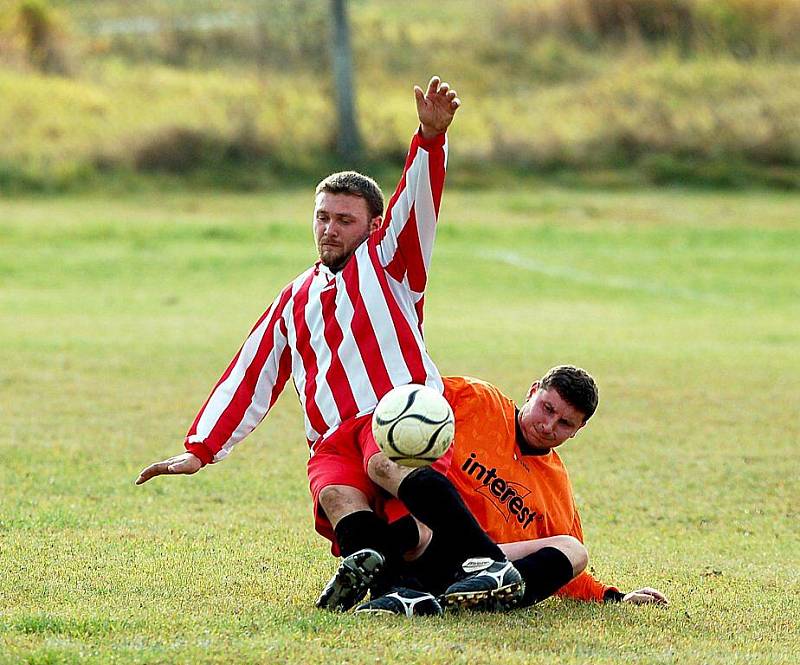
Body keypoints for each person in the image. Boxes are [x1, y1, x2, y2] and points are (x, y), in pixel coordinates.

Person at [135, 76, 522, 616]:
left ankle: (486, 561)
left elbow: (417, 205)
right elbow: (251, 372)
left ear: (371, 226)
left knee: (387, 471)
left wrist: (430, 140)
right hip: (332, 437)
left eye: (345, 220)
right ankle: (384, 588)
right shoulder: (294, 297)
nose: (330, 229)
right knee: (339, 498)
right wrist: (200, 449)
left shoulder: (390, 264)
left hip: (391, 416)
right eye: (323, 217)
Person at [356, 367, 668, 615]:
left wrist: (613, 597)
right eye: (547, 408)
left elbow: (565, 573)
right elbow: (408, 399)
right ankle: (398, 584)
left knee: (575, 550)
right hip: (422, 539)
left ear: (577, 431)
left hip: (481, 568)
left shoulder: (556, 486)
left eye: (564, 423)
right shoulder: (475, 399)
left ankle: (473, 597)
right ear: (533, 391)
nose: (548, 425)